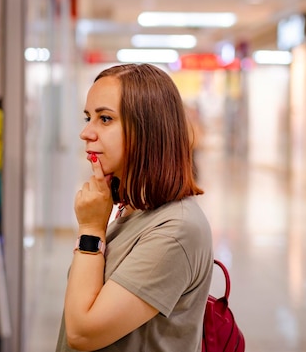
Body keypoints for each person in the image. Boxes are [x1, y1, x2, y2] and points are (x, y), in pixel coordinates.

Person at [55, 63, 213, 352]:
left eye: (104, 119)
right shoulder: (134, 208)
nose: (86, 132)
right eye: (88, 117)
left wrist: (91, 229)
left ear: (147, 131)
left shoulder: (176, 230)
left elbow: (83, 334)